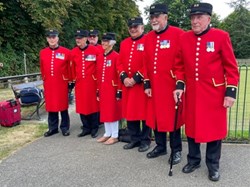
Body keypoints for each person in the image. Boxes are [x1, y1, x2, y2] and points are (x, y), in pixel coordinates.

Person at [173, 2, 239, 181]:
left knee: (214, 131)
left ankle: (213, 165)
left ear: (208, 19)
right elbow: (179, 65)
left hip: (214, 94)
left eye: (199, 17)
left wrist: (230, 92)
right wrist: (179, 86)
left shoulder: (221, 36)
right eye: (192, 18)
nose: (195, 21)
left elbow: (231, 67)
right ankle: (193, 160)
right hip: (193, 94)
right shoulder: (184, 38)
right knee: (192, 128)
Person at [143, 3, 184, 165]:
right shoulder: (148, 38)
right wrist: (146, 83)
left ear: (165, 17)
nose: (154, 20)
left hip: (170, 86)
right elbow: (146, 62)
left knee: (173, 119)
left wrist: (180, 84)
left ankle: (176, 150)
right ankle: (160, 147)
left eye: (157, 16)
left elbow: (182, 62)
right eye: (152, 17)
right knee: (155, 118)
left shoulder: (178, 34)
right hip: (154, 86)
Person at [118, 17, 151, 152]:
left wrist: (136, 78)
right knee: (130, 113)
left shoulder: (148, 40)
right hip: (127, 86)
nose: (133, 29)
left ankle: (145, 140)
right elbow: (119, 63)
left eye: (136, 27)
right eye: (131, 27)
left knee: (144, 114)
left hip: (141, 85)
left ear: (142, 28)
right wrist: (124, 77)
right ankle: (134, 139)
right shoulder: (124, 43)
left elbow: (149, 62)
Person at [40, 29, 71, 137]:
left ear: (57, 38)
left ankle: (65, 127)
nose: (52, 39)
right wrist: (44, 78)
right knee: (51, 106)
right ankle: (53, 128)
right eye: (50, 37)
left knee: (63, 106)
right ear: (47, 39)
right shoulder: (43, 52)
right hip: (49, 83)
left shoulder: (66, 52)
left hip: (61, 83)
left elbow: (69, 68)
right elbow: (42, 68)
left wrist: (70, 81)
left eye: (54, 37)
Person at [71, 29, 101, 138]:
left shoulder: (95, 50)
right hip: (80, 83)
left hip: (92, 82)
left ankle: (94, 128)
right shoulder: (74, 51)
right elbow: (72, 67)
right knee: (82, 106)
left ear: (85, 39)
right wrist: (74, 79)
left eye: (80, 38)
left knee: (93, 105)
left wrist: (98, 80)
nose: (78, 40)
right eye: (76, 38)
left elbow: (99, 66)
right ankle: (86, 127)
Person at [96, 32, 122, 145]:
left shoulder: (116, 56)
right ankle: (107, 133)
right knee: (105, 111)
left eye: (106, 41)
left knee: (113, 111)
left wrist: (119, 90)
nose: (103, 43)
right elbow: (98, 73)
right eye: (103, 41)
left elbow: (119, 74)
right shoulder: (100, 56)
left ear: (112, 43)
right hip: (103, 87)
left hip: (112, 88)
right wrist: (97, 89)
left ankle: (115, 135)